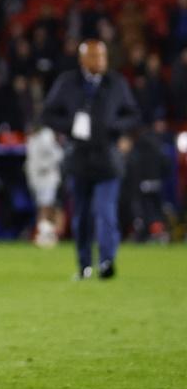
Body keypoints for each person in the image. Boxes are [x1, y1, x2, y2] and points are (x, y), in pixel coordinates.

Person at [41, 40, 139, 279]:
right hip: (79, 158)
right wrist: (71, 126)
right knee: (82, 216)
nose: (100, 61)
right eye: (94, 56)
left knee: (105, 212)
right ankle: (84, 265)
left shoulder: (116, 83)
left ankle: (106, 262)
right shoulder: (68, 82)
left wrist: (114, 128)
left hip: (107, 158)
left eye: (103, 56)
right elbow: (47, 113)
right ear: (82, 59)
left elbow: (133, 114)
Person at [24, 125, 65, 247]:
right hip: (36, 179)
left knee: (46, 206)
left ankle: (47, 234)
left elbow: (58, 154)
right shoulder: (31, 139)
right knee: (43, 206)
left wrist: (45, 166)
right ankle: (46, 233)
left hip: (49, 177)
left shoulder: (47, 136)